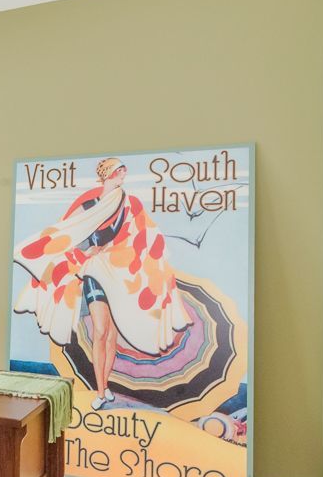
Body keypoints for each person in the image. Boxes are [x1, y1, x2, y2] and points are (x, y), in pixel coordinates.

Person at [14, 157, 191, 409]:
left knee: (111, 335)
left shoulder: (130, 204)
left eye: (123, 170)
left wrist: (119, 250)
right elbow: (66, 236)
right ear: (108, 174)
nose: (123, 174)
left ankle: (104, 385)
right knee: (99, 330)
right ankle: (99, 391)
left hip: (119, 275)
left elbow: (143, 237)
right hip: (95, 272)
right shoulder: (88, 206)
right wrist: (87, 252)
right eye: (119, 171)